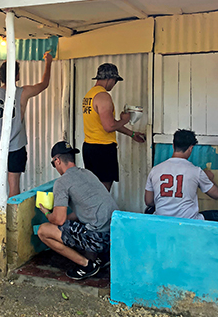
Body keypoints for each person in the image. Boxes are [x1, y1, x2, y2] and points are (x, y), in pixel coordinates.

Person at [0, 52, 53, 234]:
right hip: (15, 147)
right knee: (13, 184)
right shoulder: (22, 92)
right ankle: (11, 224)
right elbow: (44, 84)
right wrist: (48, 62)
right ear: (17, 75)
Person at [38, 141, 119, 280]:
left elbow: (59, 219)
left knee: (43, 231)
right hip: (114, 233)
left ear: (57, 160)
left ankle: (86, 265)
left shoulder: (62, 182)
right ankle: (102, 258)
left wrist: (46, 212)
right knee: (77, 225)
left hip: (97, 238)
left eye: (53, 163)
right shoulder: (88, 173)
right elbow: (84, 210)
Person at [82, 63, 145, 191]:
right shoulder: (103, 96)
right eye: (115, 81)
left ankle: (92, 210)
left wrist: (131, 134)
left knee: (93, 188)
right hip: (103, 149)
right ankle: (99, 211)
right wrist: (125, 120)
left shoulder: (89, 95)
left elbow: (108, 123)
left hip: (89, 147)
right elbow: (109, 126)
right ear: (110, 79)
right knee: (103, 190)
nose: (114, 84)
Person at [145, 129, 218, 220]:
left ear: (173, 146)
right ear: (191, 148)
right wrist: (209, 179)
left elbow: (149, 202)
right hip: (188, 222)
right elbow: (216, 195)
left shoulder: (155, 170)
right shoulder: (196, 171)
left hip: (162, 221)